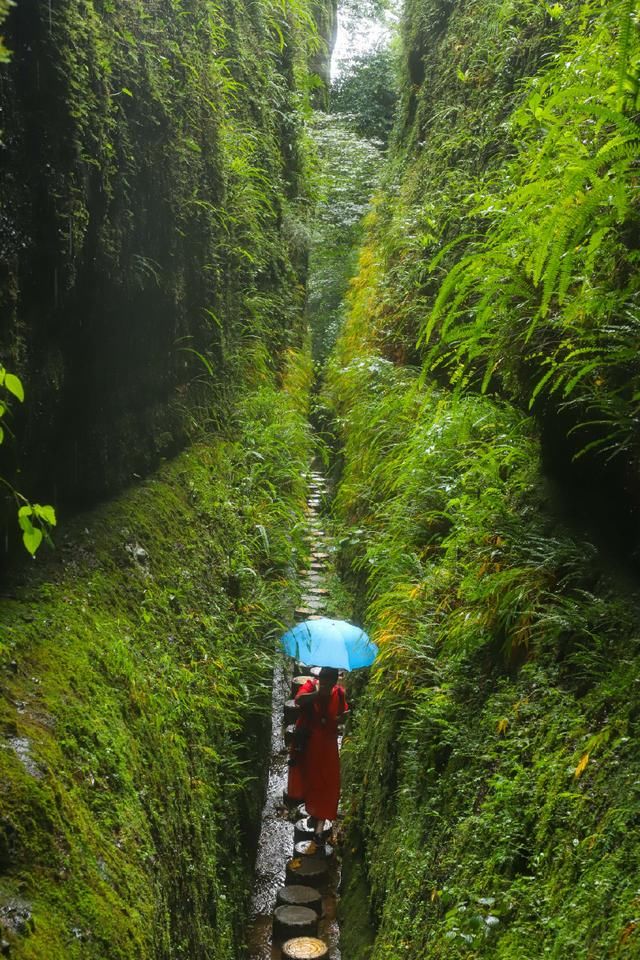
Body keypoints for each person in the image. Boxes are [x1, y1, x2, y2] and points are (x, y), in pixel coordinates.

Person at [287, 666, 348, 844]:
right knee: (309, 779)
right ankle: (312, 811)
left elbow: (339, 715)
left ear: (335, 682)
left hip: (327, 745)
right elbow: (298, 700)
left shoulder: (339, 694)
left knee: (326, 781)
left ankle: (320, 823)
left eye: (331, 682)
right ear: (319, 678)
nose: (327, 685)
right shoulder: (310, 686)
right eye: (324, 681)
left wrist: (343, 718)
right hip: (308, 743)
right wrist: (316, 694)